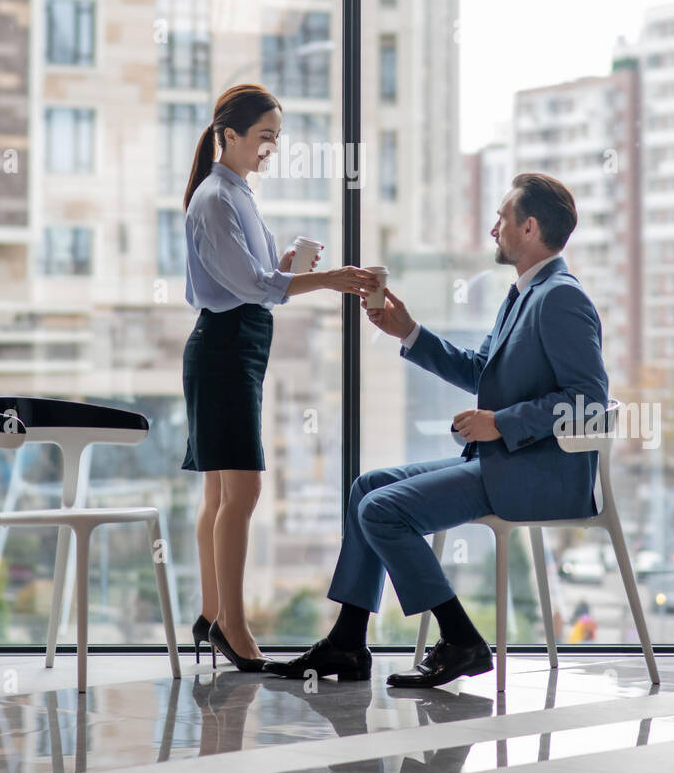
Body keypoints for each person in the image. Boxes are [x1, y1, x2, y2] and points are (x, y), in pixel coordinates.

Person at [263, 172, 609, 689]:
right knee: (367, 489)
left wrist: (500, 424)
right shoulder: (523, 296)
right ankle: (348, 644)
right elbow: (480, 370)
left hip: (539, 475)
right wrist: (410, 332)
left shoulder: (559, 298)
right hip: (504, 463)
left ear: (530, 227)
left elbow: (589, 400)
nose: (494, 229)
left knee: (381, 510)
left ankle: (461, 639)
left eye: (502, 218)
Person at [181, 83, 380, 673]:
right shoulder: (216, 198)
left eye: (276, 139)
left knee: (221, 492)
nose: (271, 148)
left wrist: (293, 263)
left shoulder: (237, 193)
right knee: (241, 492)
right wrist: (332, 279)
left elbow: (263, 279)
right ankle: (232, 627)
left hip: (236, 346)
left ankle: (213, 615)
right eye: (264, 137)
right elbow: (254, 287)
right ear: (230, 134)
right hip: (223, 349)